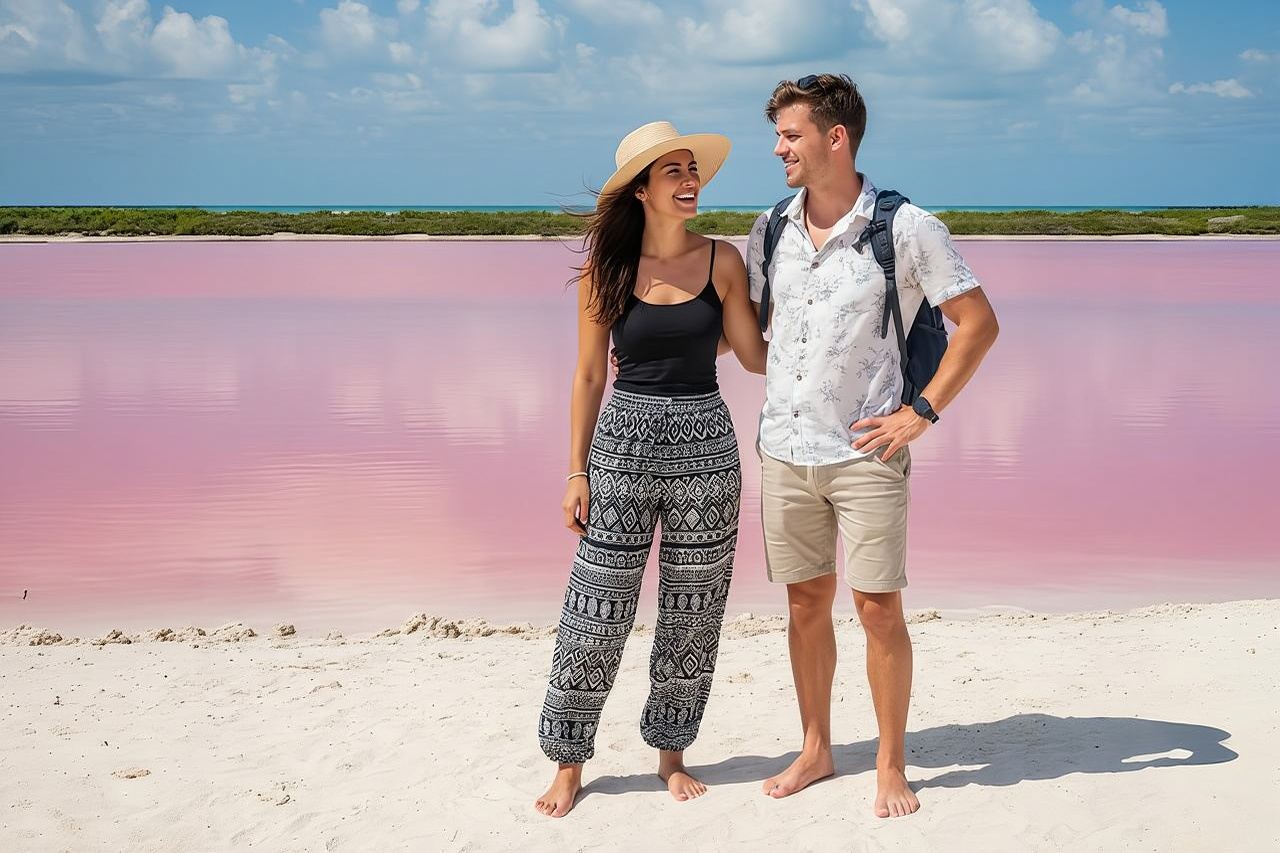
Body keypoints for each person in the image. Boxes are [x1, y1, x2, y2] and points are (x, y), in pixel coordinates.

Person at [746, 74, 1000, 817]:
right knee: (803, 603)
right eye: (779, 135)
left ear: (836, 138)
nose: (778, 147)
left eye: (790, 135)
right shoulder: (770, 228)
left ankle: (892, 763)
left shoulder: (907, 226)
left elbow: (978, 324)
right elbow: (761, 339)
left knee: (879, 607)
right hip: (785, 447)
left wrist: (921, 411)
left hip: (868, 451)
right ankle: (817, 746)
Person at [534, 121, 768, 818]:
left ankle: (671, 754)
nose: (691, 179)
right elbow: (585, 374)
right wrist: (575, 470)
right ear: (641, 189)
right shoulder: (607, 269)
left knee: (693, 611)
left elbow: (753, 356)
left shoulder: (722, 261)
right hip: (621, 444)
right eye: (674, 171)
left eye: (693, 168)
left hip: (706, 444)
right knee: (594, 609)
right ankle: (569, 762)